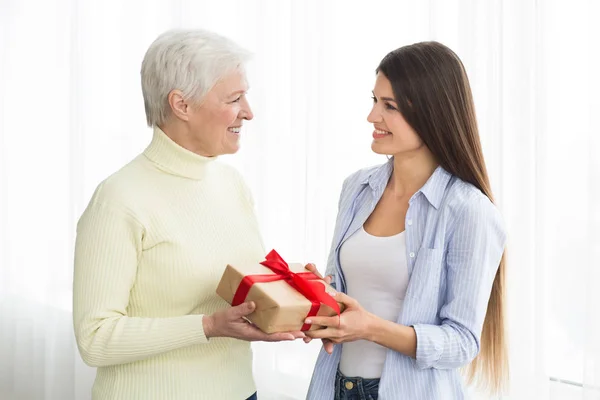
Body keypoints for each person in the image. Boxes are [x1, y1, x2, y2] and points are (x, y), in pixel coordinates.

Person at [72, 29, 305, 400]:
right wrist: (208, 326)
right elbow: (95, 339)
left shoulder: (231, 184)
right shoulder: (118, 199)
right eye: (234, 98)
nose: (248, 111)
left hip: (240, 392)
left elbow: (238, 290)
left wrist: (298, 293)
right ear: (181, 105)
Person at [305, 41, 508, 399]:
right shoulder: (357, 188)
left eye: (390, 106)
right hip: (335, 387)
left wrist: (370, 328)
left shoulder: (468, 211)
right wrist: (315, 300)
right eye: (374, 101)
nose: (372, 117)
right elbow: (347, 295)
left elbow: (462, 342)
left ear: (433, 114)